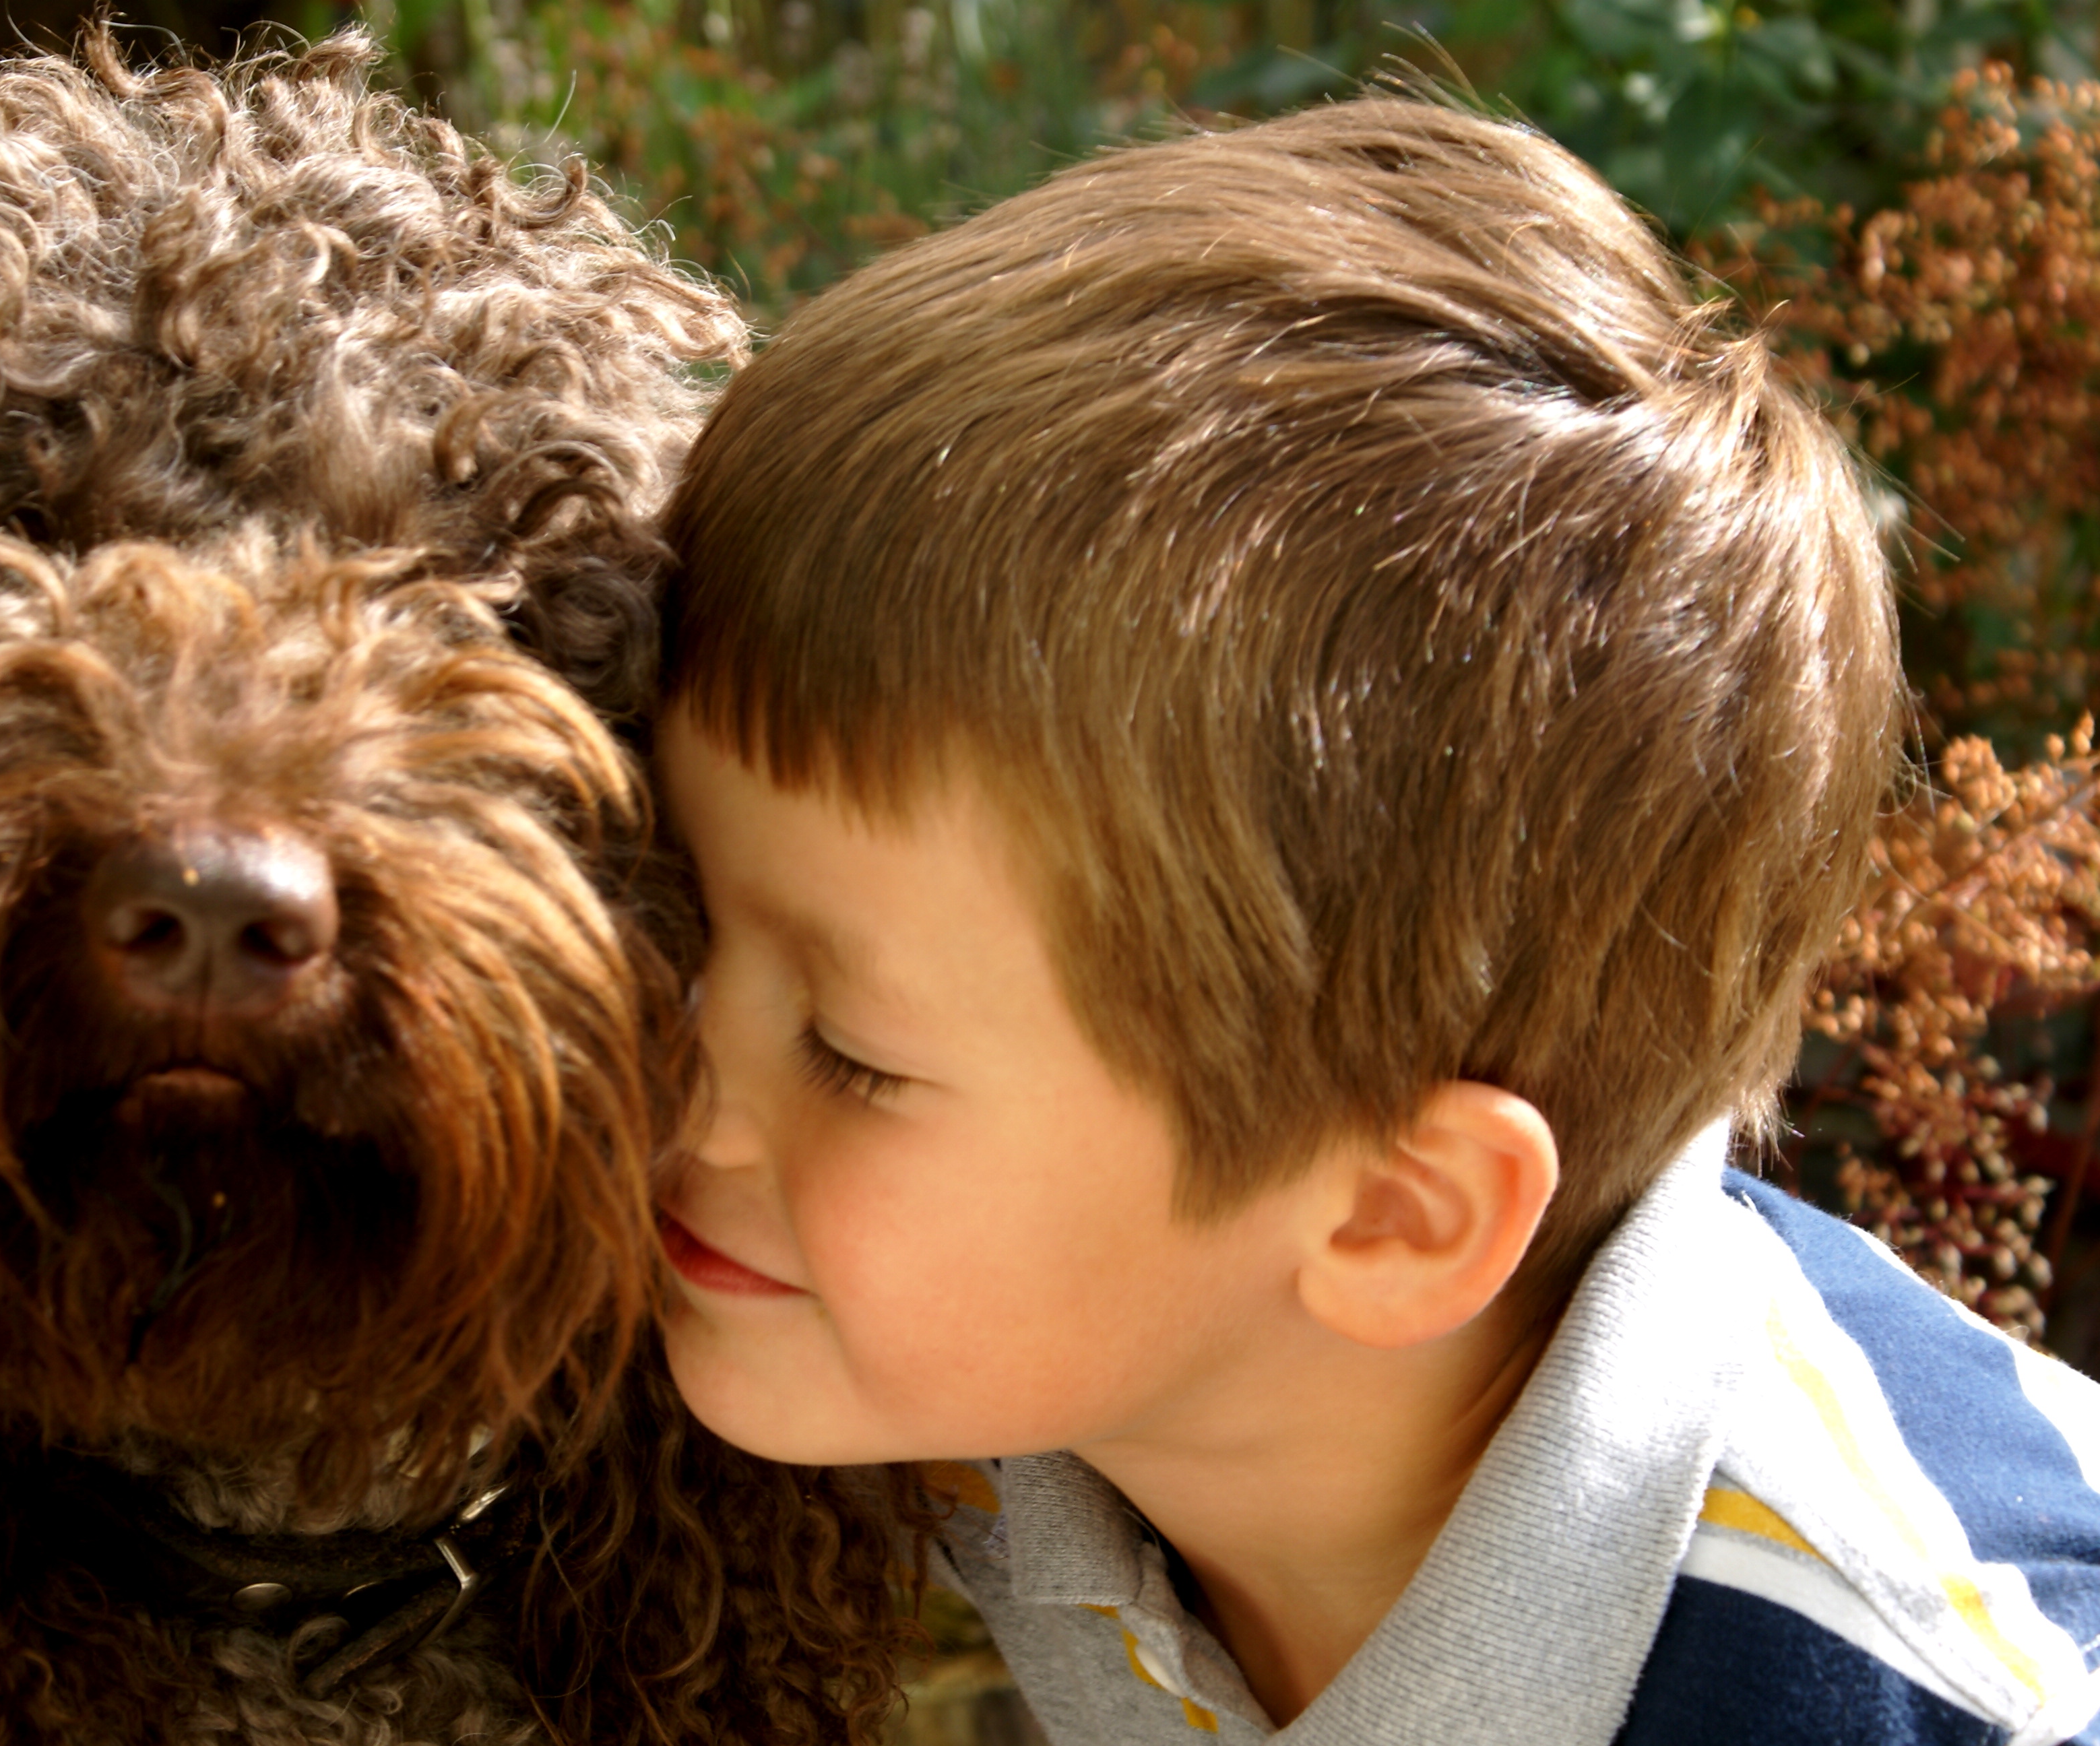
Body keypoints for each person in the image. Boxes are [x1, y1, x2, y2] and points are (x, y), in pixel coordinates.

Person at [649, 97, 2100, 1746]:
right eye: (686, 926)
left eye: (847, 1051)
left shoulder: (1904, 1700)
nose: (669, 1076)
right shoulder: (1073, 1360)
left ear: (1394, 1218)